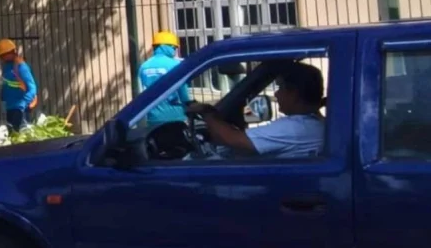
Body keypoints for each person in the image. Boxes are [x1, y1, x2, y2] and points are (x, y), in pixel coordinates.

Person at [186, 61, 326, 159]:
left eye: (280, 88)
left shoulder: (296, 128)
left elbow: (232, 139)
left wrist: (207, 112)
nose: (276, 94)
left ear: (293, 93)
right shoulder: (318, 123)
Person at [138, 30, 190, 125]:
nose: (175, 51)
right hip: (175, 116)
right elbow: (183, 92)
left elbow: (141, 92)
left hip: (152, 117)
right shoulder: (176, 64)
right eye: (174, 47)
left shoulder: (144, 66)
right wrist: (189, 106)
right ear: (165, 46)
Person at [0, 39, 37, 133]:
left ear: (10, 52)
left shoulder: (21, 67)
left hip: (20, 110)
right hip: (10, 108)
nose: (1, 58)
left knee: (22, 138)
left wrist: (22, 104)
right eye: (0, 56)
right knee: (13, 137)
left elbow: (32, 88)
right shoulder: (6, 67)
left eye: (3, 55)